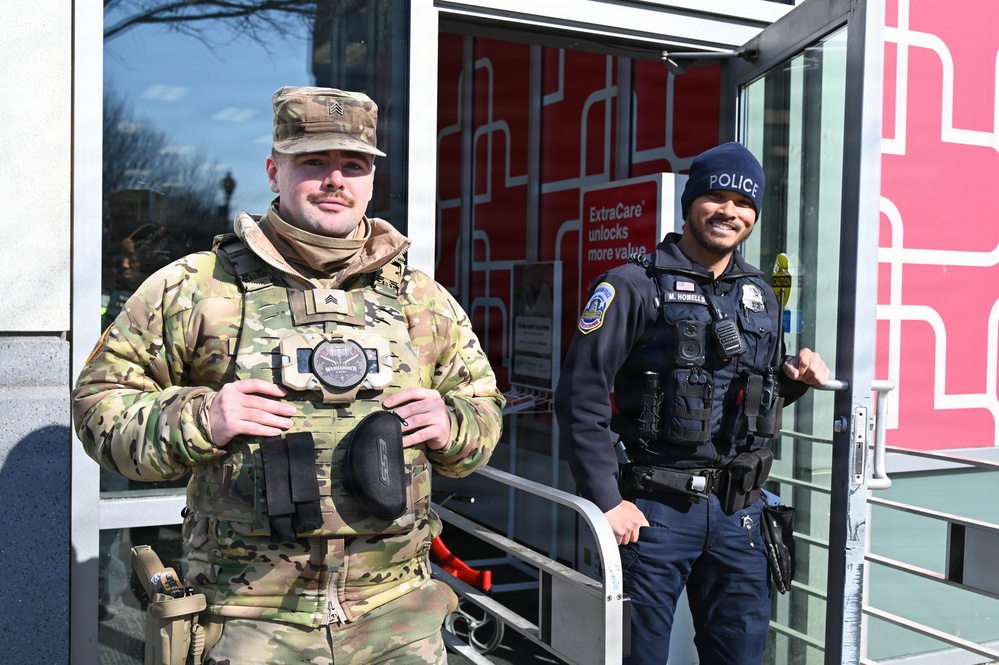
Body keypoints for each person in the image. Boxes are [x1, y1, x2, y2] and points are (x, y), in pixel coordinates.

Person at [74, 86, 505, 665]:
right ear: (275, 170)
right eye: (314, 162)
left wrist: (452, 424)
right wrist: (201, 418)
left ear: (372, 180)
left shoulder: (420, 298)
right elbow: (99, 405)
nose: (335, 180)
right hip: (247, 621)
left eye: (353, 165)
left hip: (397, 618)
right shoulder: (196, 287)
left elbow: (484, 409)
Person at [554, 142, 828, 665]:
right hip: (654, 510)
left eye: (744, 203)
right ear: (690, 201)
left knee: (740, 657)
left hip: (739, 514)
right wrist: (606, 501)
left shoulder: (759, 293)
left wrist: (797, 378)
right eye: (716, 197)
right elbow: (580, 397)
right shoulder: (632, 285)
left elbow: (756, 393)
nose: (729, 211)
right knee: (636, 656)